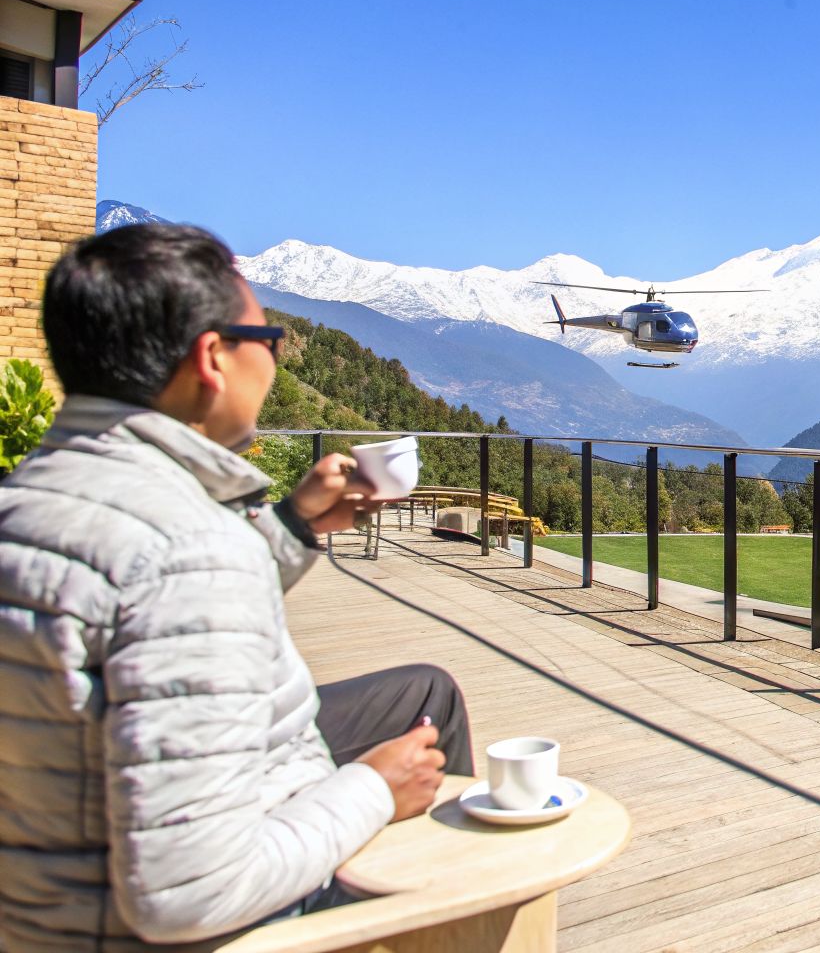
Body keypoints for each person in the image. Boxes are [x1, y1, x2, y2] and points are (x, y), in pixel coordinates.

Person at [0, 223, 474, 950]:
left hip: (44, 888)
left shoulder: (33, 495)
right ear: (213, 357)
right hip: (191, 925)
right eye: (270, 340)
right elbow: (188, 892)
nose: (276, 361)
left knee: (422, 693)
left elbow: (151, 612)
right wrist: (374, 789)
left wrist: (292, 525)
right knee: (430, 777)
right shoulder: (188, 546)